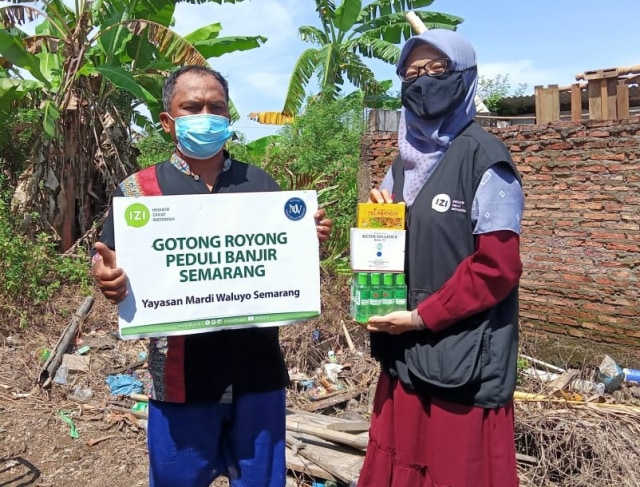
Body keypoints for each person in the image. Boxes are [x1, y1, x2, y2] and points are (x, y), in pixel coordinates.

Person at [91, 65, 333, 487]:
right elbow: (109, 263)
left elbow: (288, 260)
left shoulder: (262, 186)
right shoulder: (137, 192)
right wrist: (107, 278)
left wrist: (311, 239)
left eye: (216, 107)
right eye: (192, 106)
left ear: (227, 118)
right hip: (181, 380)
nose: (206, 114)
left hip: (257, 374)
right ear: (168, 121)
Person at [357, 29, 524, 487]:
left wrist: (421, 317)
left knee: (455, 471)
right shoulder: (403, 164)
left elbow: (497, 268)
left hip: (464, 363)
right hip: (405, 357)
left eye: (437, 71)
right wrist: (381, 223)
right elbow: (395, 251)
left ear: (465, 79)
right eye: (411, 73)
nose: (423, 82)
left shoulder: (487, 161)